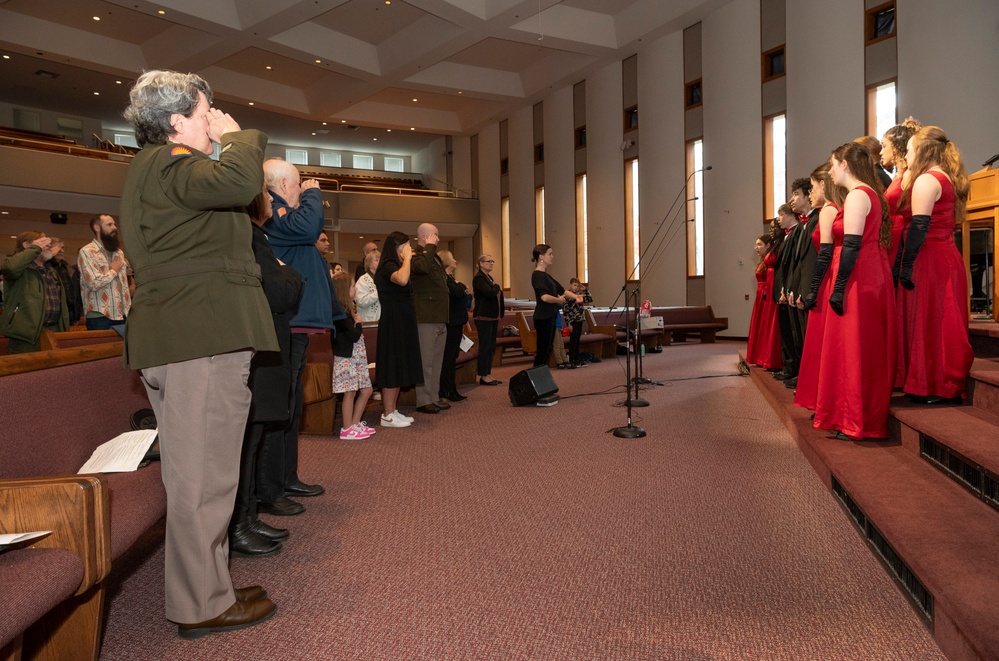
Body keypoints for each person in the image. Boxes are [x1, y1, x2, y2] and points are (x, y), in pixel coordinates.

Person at [119, 69, 277, 637]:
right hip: (198, 334)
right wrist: (237, 139)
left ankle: (210, 586)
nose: (216, 119)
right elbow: (238, 185)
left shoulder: (165, 170)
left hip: (184, 332)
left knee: (198, 473)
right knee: (203, 478)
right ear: (178, 120)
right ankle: (202, 604)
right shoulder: (172, 161)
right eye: (208, 111)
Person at [258, 158, 344, 515]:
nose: (302, 190)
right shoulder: (275, 214)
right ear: (280, 186)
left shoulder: (287, 218)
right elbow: (310, 228)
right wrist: (313, 195)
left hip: (299, 323)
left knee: (291, 407)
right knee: (279, 407)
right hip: (284, 323)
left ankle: (287, 476)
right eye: (297, 185)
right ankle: (270, 488)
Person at [229, 187, 303, 559]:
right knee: (249, 438)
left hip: (265, 343)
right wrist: (289, 274)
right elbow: (280, 291)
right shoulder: (247, 234)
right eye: (268, 197)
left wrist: (284, 274)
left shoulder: (255, 235)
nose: (274, 204)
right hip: (259, 345)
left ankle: (247, 515)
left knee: (255, 437)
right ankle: (240, 523)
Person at [812, 142, 895, 440]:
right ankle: (846, 415)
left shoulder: (860, 195)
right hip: (858, 276)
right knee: (848, 349)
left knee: (858, 350)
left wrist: (839, 287)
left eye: (833, 165)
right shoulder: (859, 195)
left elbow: (852, 245)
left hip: (860, 279)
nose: (831, 171)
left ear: (845, 164)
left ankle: (859, 419)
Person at [897, 126, 975, 403]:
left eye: (909, 150)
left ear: (924, 150)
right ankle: (931, 382)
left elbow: (919, 226)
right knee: (937, 321)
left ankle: (937, 384)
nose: (906, 155)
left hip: (929, 259)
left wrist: (906, 266)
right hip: (942, 257)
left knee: (932, 321)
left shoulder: (928, 180)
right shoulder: (943, 177)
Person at [795, 160, 844, 411]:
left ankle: (823, 400)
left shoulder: (829, 210)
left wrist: (813, 289)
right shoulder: (834, 208)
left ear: (824, 185)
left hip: (826, 280)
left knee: (823, 345)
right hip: (825, 278)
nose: (811, 192)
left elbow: (824, 254)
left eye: (813, 187)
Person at [374, 231, 423, 427]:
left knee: (400, 363)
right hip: (393, 320)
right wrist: (409, 259)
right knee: (392, 365)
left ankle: (393, 410)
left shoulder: (396, 264)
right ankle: (387, 413)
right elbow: (402, 280)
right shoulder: (388, 265)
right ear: (397, 247)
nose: (409, 250)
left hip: (403, 319)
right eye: (406, 246)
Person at [1, 232, 69, 353]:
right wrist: (35, 249)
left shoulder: (50, 270)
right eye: (41, 242)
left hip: (54, 332)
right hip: (27, 335)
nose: (47, 245)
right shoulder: (19, 268)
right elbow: (10, 268)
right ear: (27, 245)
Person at [781, 177, 818, 390]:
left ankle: (807, 380)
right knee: (799, 337)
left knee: (807, 339)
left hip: (810, 290)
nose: (792, 199)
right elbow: (796, 264)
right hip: (799, 289)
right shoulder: (805, 224)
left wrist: (803, 290)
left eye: (796, 194)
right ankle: (803, 377)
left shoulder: (815, 221)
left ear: (808, 195)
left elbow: (811, 261)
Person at [410, 223, 451, 414]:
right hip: (425, 315)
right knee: (426, 361)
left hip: (439, 314)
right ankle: (423, 399)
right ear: (425, 237)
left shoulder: (432, 256)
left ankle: (433, 396)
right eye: (435, 235)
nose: (438, 239)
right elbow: (421, 269)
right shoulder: (415, 255)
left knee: (436, 361)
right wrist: (428, 247)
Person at [331, 272, 375, 439]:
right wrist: (358, 324)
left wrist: (357, 323)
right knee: (350, 392)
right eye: (352, 285)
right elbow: (354, 335)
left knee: (367, 389)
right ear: (344, 290)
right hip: (346, 358)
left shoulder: (348, 311)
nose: (355, 288)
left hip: (357, 358)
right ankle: (347, 428)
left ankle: (355, 423)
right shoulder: (340, 314)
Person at [531, 244, 582, 368]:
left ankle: (541, 376)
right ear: (541, 257)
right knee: (543, 350)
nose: (552, 256)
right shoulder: (537, 275)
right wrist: (558, 300)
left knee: (547, 350)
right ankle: (537, 376)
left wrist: (576, 297)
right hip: (543, 317)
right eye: (550, 254)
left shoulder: (547, 276)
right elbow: (544, 297)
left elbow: (563, 290)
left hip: (550, 315)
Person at [78, 214, 131, 330]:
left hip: (124, 314)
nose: (115, 228)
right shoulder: (87, 252)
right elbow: (94, 283)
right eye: (109, 225)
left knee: (124, 349)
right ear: (97, 228)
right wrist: (114, 270)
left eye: (114, 224)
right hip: (100, 316)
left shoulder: (119, 252)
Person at [770, 203, 800, 383]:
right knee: (786, 332)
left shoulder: (797, 233)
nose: (778, 219)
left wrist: (787, 288)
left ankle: (793, 369)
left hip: (789, 289)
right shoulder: (787, 236)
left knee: (792, 333)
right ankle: (788, 367)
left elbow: (793, 266)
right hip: (783, 290)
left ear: (790, 216)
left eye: (781, 215)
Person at [746, 233, 781, 370]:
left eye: (759, 244)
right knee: (760, 326)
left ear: (768, 246)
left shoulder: (770, 262)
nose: (756, 247)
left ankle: (765, 357)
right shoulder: (762, 261)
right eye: (756, 245)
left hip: (766, 295)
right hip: (760, 296)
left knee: (765, 326)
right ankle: (759, 356)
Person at [439, 249, 470, 402]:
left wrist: (461, 286)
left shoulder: (450, 278)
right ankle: (446, 390)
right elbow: (458, 292)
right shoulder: (444, 278)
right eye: (452, 259)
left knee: (452, 357)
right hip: (450, 323)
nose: (455, 261)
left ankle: (451, 388)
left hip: (456, 322)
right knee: (448, 358)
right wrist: (462, 286)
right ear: (446, 261)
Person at [472, 254, 504, 385]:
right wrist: (496, 287)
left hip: (492, 316)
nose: (491, 263)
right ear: (481, 263)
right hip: (483, 316)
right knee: (485, 346)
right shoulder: (479, 278)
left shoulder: (488, 277)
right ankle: (483, 375)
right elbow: (490, 292)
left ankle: (488, 373)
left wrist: (495, 287)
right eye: (488, 261)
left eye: (493, 261)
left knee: (491, 346)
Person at [46, 237, 83, 325]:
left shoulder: (66, 267)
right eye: (58, 248)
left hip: (69, 311)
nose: (62, 251)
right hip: (53, 311)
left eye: (63, 248)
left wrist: (76, 314)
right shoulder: (45, 266)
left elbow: (73, 292)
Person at [563, 278, 592, 367]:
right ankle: (572, 359)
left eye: (577, 286)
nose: (576, 287)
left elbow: (589, 299)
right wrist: (569, 323)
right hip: (572, 320)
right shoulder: (567, 295)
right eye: (574, 285)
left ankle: (577, 359)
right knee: (573, 341)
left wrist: (585, 290)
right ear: (570, 285)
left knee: (577, 341)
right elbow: (565, 311)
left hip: (579, 319)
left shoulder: (579, 294)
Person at [355, 249, 382, 322]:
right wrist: (380, 291)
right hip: (368, 321)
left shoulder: (384, 279)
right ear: (369, 263)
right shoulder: (363, 280)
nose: (380, 262)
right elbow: (361, 301)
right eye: (376, 260)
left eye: (381, 260)